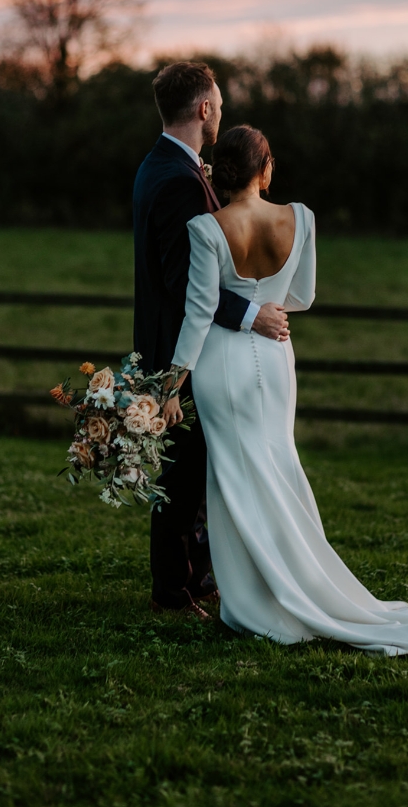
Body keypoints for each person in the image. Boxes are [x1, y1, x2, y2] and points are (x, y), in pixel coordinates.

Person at [163, 124, 408, 655]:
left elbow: (199, 313)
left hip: (221, 364)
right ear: (266, 167)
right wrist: (269, 307)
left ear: (220, 171)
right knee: (279, 463)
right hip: (277, 360)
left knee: (232, 476)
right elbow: (304, 295)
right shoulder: (300, 217)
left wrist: (171, 384)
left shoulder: (206, 228)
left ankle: (250, 598)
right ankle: (297, 579)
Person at [132, 62, 289, 620]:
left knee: (196, 466)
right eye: (218, 103)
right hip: (183, 350)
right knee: (184, 471)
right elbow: (184, 287)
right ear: (203, 109)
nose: (221, 110)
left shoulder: (163, 166)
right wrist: (253, 316)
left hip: (176, 345)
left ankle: (196, 578)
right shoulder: (177, 181)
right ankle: (172, 592)